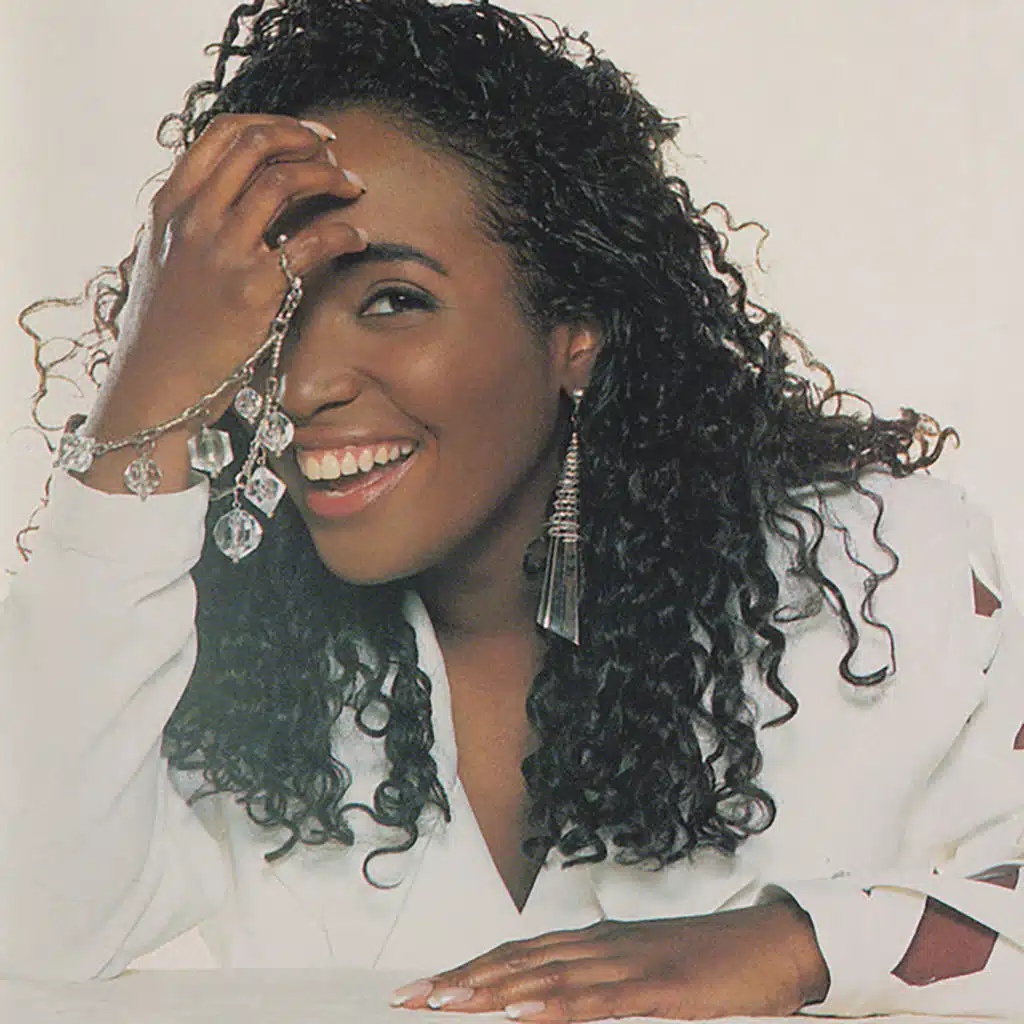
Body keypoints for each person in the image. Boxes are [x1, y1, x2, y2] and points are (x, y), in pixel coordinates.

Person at [2, 0, 1022, 1018]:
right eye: (270, 318)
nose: (304, 385)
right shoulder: (196, 630)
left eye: (393, 300)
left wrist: (801, 944)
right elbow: (33, 929)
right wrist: (145, 401)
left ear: (573, 330)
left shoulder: (879, 576)